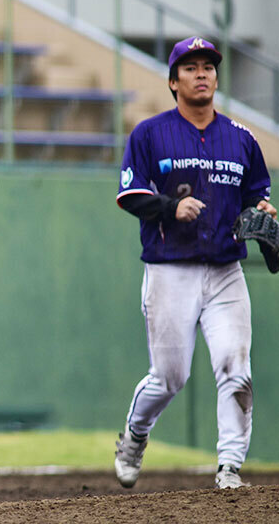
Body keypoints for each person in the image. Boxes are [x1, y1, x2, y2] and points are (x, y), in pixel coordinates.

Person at [113, 36, 276, 490]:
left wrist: (262, 213)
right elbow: (129, 194)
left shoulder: (241, 139)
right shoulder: (149, 134)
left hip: (226, 271)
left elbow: (256, 200)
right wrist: (170, 207)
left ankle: (229, 467)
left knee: (235, 367)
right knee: (169, 378)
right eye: (190, 67)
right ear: (172, 81)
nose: (201, 73)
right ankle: (135, 436)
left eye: (208, 66)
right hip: (170, 269)